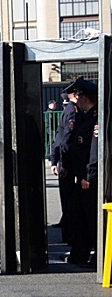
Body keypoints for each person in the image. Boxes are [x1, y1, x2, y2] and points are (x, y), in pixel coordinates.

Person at [64, 78, 98, 267]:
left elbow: (94, 151)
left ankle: (97, 257)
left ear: (85, 97)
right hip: (80, 175)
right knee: (81, 217)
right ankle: (80, 253)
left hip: (88, 178)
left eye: (78, 95)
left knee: (91, 219)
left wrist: (88, 175)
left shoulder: (94, 120)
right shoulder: (85, 117)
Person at [50, 81, 81, 244]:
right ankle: (70, 236)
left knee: (68, 201)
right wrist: (65, 165)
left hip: (64, 163)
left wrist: (55, 161)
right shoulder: (72, 112)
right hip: (68, 164)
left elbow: (58, 139)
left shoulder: (69, 110)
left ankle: (69, 234)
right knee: (71, 203)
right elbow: (66, 140)